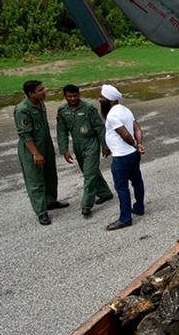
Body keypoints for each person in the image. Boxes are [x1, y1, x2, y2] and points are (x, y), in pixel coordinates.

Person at [14, 80, 68, 226]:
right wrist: (35, 153)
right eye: (40, 90)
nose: (44, 91)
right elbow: (25, 135)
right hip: (32, 148)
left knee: (50, 175)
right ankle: (41, 212)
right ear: (30, 94)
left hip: (46, 144)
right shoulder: (22, 110)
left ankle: (50, 201)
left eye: (43, 89)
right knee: (35, 180)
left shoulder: (40, 103)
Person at [56, 84, 114, 217]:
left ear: (79, 95)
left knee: (89, 174)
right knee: (91, 171)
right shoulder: (62, 110)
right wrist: (64, 150)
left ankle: (86, 205)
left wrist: (105, 145)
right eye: (69, 96)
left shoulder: (88, 109)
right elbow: (62, 131)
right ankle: (105, 193)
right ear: (65, 97)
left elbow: (100, 128)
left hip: (91, 144)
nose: (73, 98)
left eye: (75, 95)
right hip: (77, 146)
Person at [99, 84, 146, 231]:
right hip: (133, 155)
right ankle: (139, 207)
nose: (99, 100)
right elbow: (137, 128)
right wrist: (139, 144)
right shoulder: (125, 109)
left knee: (121, 187)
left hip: (121, 157)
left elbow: (125, 134)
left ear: (111, 100)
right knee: (137, 180)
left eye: (102, 98)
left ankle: (125, 218)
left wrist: (133, 144)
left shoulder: (112, 115)